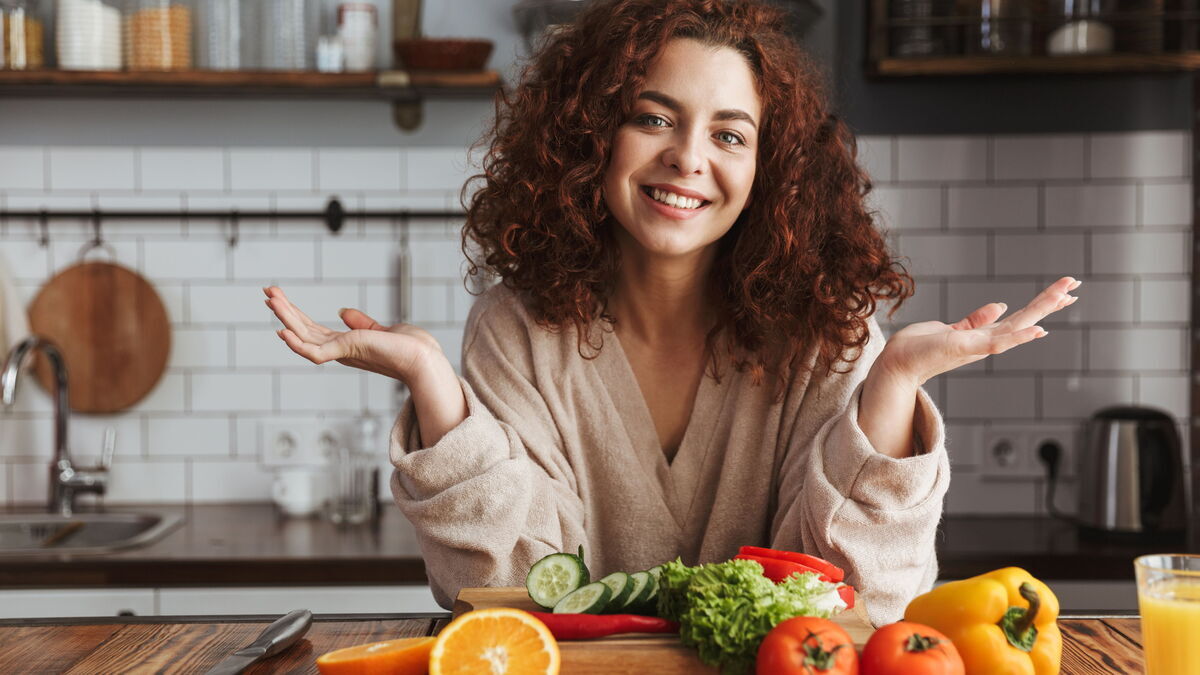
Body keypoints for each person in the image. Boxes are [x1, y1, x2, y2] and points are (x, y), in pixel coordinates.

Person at [265, 0, 1079, 625]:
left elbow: (858, 602)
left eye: (730, 135)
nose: (688, 157)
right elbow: (509, 591)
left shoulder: (825, 332)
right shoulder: (519, 327)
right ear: (591, 135)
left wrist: (895, 379)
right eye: (654, 117)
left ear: (770, 167)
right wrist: (434, 387)